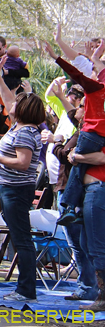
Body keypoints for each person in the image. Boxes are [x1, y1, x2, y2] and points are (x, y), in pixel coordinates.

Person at [0, 58, 45, 301]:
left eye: (17, 104)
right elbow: (9, 100)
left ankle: (26, 290)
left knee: (22, 239)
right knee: (20, 236)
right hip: (10, 189)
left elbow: (23, 163)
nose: (10, 105)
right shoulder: (19, 126)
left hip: (17, 191)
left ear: (24, 110)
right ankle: (24, 287)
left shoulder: (27, 132)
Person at [41, 40, 105, 226]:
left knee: (77, 164)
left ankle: (70, 206)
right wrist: (94, 56)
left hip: (91, 134)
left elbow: (76, 73)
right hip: (100, 136)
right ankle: (74, 207)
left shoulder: (95, 88)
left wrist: (56, 57)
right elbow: (96, 67)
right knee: (80, 165)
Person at [51, 101, 100, 302]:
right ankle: (88, 286)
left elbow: (66, 156)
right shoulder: (81, 130)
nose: (76, 108)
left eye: (81, 104)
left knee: (84, 244)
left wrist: (57, 143)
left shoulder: (86, 134)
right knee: (82, 243)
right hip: (77, 192)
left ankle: (89, 286)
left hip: (83, 193)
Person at [67, 131, 105, 311]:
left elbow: (102, 158)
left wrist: (77, 156)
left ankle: (103, 298)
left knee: (96, 247)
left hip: (99, 189)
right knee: (87, 243)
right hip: (91, 190)